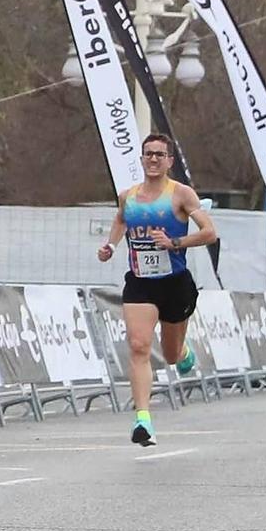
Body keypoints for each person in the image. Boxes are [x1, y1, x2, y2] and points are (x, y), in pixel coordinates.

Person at [95, 132, 217, 447]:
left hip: (174, 283)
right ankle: (143, 420)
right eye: (148, 154)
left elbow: (210, 233)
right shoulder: (129, 196)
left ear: (169, 161)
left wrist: (174, 242)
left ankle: (184, 352)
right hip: (140, 282)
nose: (153, 159)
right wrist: (110, 245)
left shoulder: (181, 195)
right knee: (138, 346)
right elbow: (121, 220)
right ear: (141, 159)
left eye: (159, 155)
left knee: (172, 355)